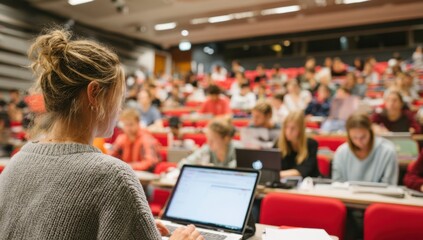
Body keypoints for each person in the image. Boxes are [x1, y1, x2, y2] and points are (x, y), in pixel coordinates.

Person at [0, 29, 202, 239]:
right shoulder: (113, 177)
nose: (119, 110)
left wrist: (137, 226)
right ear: (94, 93)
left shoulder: (17, 162)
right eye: (119, 98)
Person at [332, 114, 398, 185]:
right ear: (349, 135)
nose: (359, 141)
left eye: (363, 137)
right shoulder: (341, 152)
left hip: (377, 196)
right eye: (354, 138)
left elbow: (389, 185)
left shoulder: (387, 151)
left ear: (370, 132)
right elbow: (337, 183)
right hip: (347, 195)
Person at [275, 111, 320, 178]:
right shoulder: (279, 143)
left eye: (292, 128)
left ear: (301, 129)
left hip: (308, 185)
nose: (288, 132)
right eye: (286, 127)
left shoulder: (311, 144)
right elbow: (272, 166)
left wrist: (276, 174)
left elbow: (303, 171)